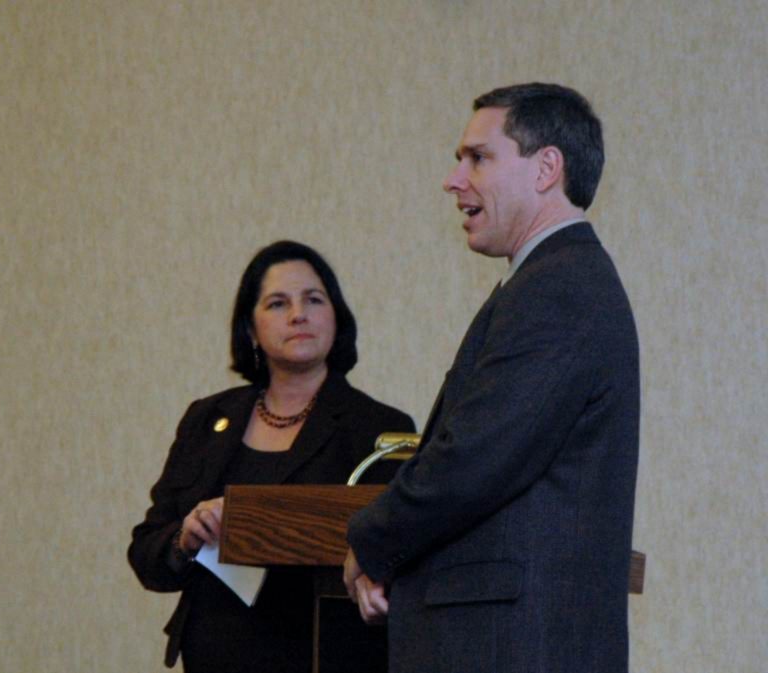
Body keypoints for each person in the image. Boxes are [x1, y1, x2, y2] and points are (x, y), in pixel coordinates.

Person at [344, 83, 639, 673]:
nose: (455, 180)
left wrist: (369, 542)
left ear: (546, 168)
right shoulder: (551, 281)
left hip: (512, 647)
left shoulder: (558, 288)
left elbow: (473, 459)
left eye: (478, 158)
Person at [129, 240, 415, 673]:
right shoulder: (207, 420)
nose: (299, 314)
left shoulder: (379, 428)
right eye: (278, 303)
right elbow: (147, 555)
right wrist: (184, 538)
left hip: (322, 653)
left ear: (336, 315)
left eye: (313, 300)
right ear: (250, 329)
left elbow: (397, 554)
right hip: (213, 653)